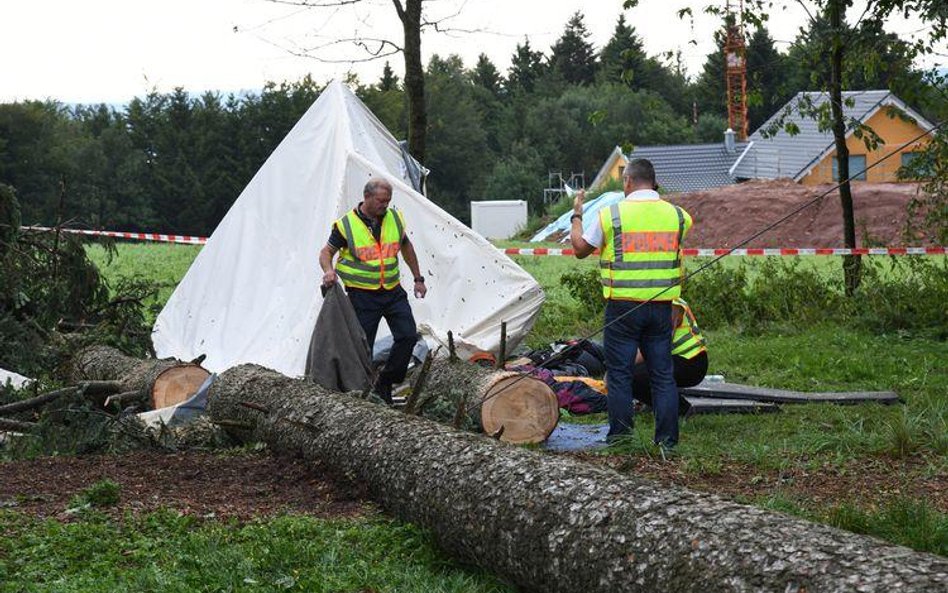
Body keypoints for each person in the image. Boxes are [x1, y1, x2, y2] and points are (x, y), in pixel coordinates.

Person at [569, 159, 692, 448]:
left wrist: (577, 215)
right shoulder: (678, 216)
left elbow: (579, 249)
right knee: (662, 376)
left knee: (621, 374)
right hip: (662, 307)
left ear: (627, 181)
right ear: (653, 181)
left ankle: (621, 440)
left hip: (622, 309)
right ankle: (667, 442)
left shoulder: (610, 215)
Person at [318, 178, 427, 404]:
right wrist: (328, 271)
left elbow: (406, 246)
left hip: (392, 290)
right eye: (380, 201)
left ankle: (386, 380)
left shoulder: (394, 218)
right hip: (362, 295)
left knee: (408, 336)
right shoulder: (345, 225)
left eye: (388, 201)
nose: (385, 205)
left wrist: (418, 278)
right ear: (367, 197)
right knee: (362, 346)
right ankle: (362, 391)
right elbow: (326, 253)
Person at [632, 297, 708, 416]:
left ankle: (682, 409)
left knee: (632, 377)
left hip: (691, 362)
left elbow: (658, 343)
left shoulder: (673, 304)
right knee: (631, 374)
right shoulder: (643, 303)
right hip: (670, 358)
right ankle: (655, 404)